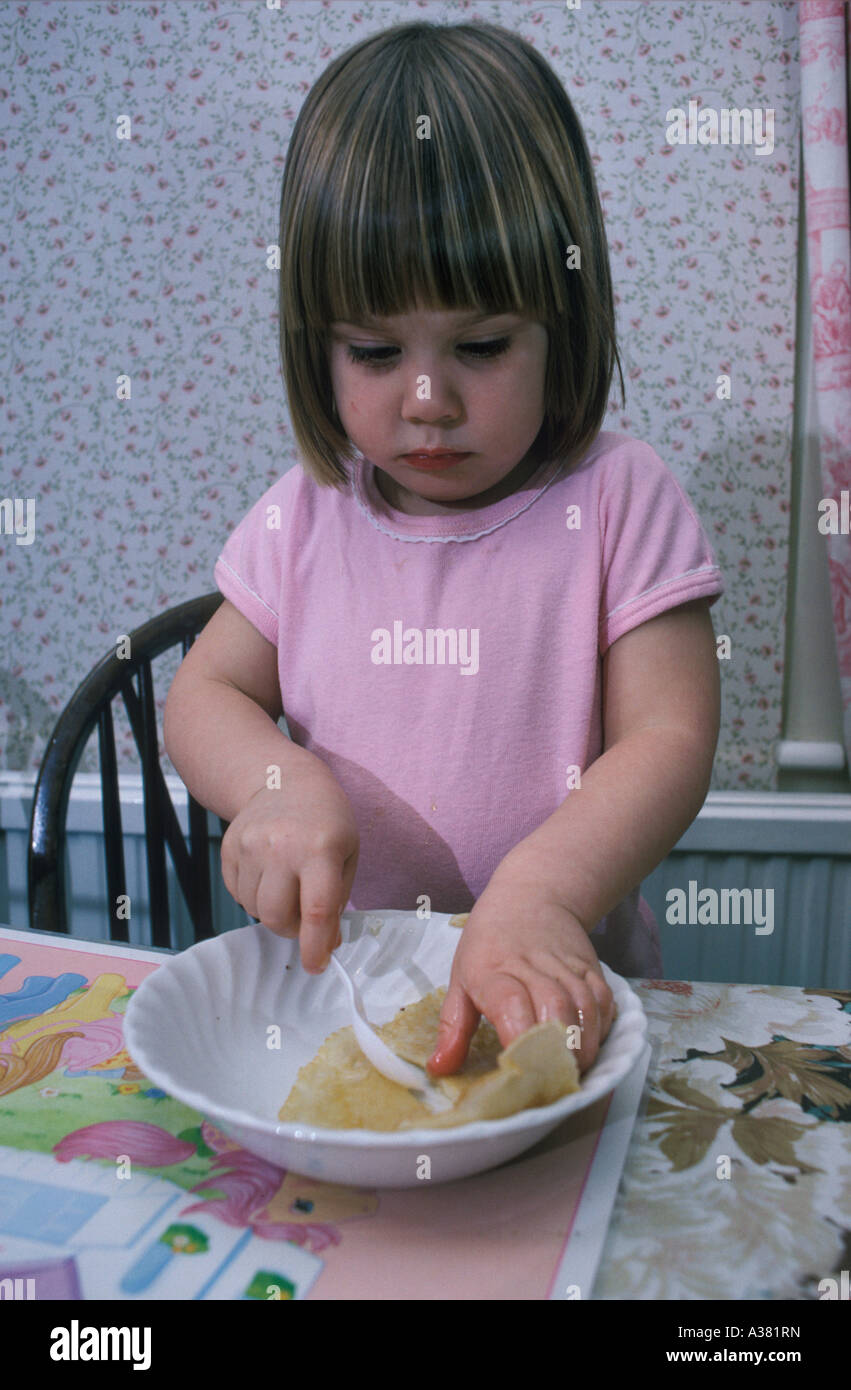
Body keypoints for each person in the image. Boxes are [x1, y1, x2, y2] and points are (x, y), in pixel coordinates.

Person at [163, 21, 723, 1081]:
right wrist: (277, 782)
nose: (427, 400)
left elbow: (669, 737)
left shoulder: (616, 498)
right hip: (350, 1008)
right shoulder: (306, 512)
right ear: (314, 344)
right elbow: (200, 698)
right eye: (374, 351)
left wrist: (539, 893)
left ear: (564, 316)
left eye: (479, 344)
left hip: (555, 1023)